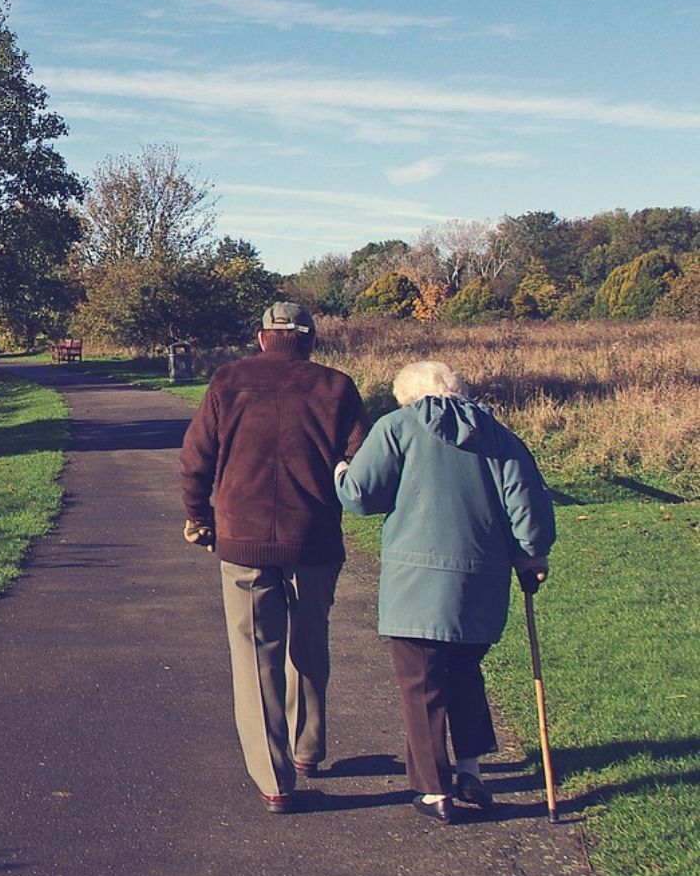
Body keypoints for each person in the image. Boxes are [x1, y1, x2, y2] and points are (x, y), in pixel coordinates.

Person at [333, 360, 556, 824]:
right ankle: (470, 770)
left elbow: (360, 496)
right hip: (481, 583)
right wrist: (532, 555)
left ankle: (434, 790)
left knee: (422, 684)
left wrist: (340, 471)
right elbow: (528, 510)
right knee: (465, 673)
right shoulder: (499, 435)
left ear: (408, 397)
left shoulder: (397, 427)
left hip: (415, 584)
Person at [180, 302, 370, 813]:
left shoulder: (228, 380)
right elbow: (360, 462)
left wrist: (198, 516)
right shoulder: (337, 386)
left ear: (262, 337)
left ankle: (275, 779)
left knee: (255, 657)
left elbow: (195, 456)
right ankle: (307, 748)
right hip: (314, 538)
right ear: (311, 339)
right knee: (310, 642)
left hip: (242, 538)